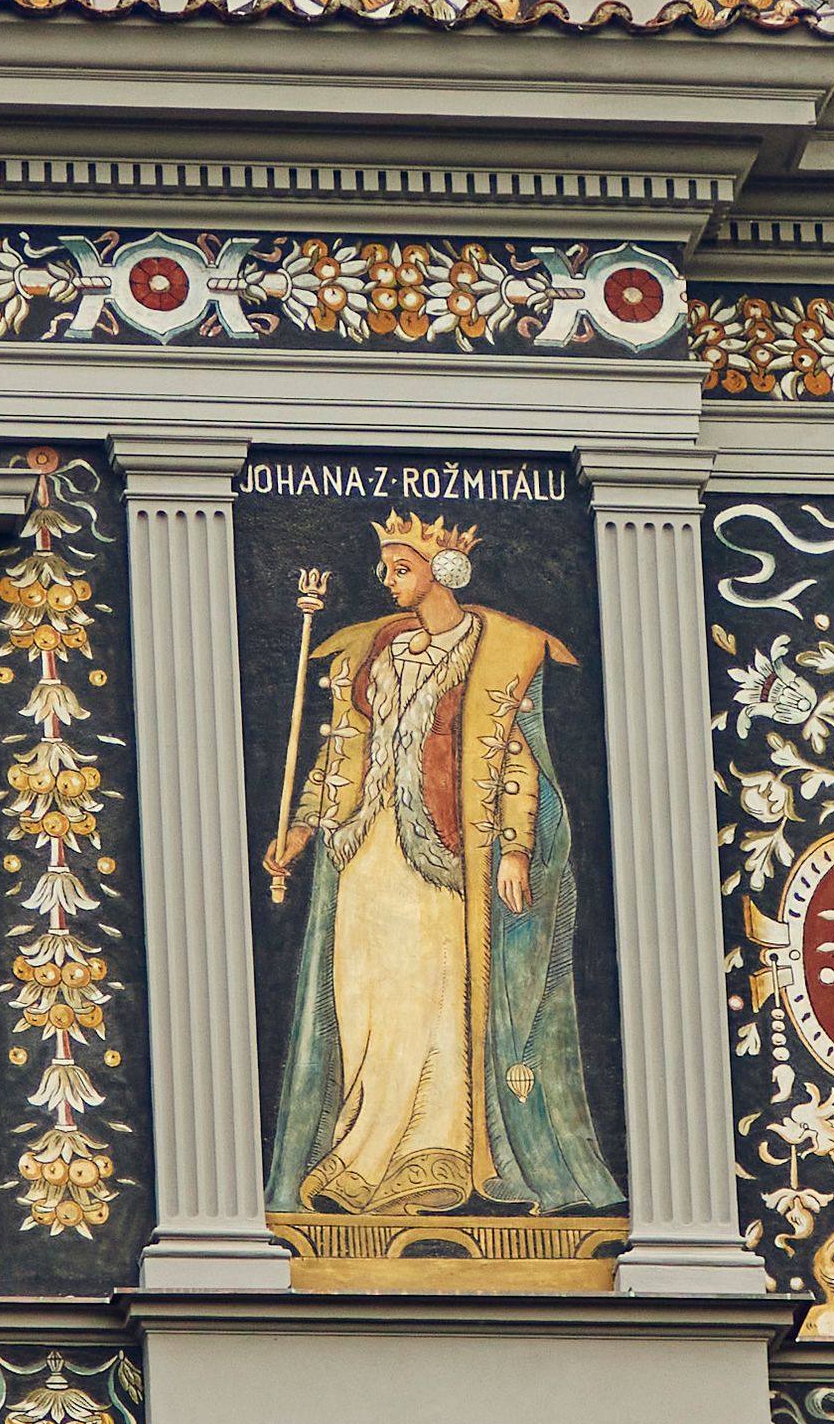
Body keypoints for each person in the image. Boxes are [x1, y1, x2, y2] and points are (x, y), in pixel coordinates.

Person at [262, 514, 619, 1219]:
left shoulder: (492, 651)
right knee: (361, 997)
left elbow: (512, 756)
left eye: (401, 568)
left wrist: (514, 849)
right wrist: (301, 827)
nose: (387, 580)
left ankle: (432, 1153)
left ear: (443, 572)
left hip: (442, 858)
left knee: (428, 1002)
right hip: (367, 846)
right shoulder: (381, 650)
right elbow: (343, 747)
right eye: (386, 569)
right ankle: (360, 1150)